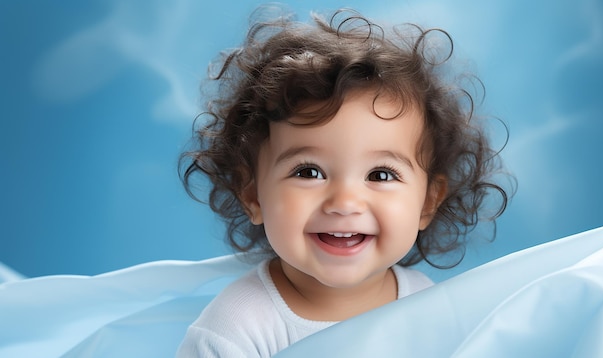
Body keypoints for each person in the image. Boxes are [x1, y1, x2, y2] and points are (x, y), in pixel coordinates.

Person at [176, 6, 510, 357]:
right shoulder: (235, 330)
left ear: (427, 201)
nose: (345, 202)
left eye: (381, 175)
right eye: (308, 172)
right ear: (253, 195)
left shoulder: (427, 306)